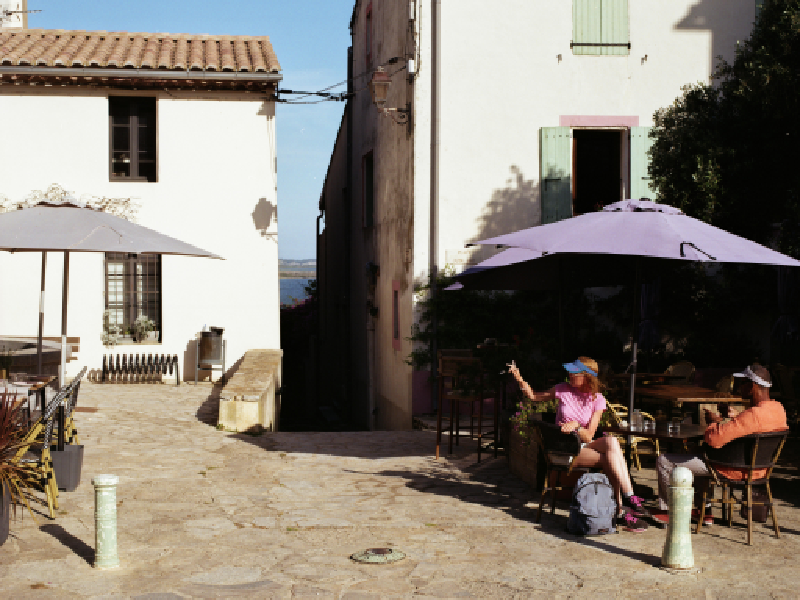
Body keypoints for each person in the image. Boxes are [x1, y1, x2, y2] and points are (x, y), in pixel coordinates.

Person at [509, 356, 650, 532]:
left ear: (586, 376)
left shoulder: (598, 399)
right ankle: (623, 507)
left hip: (582, 444)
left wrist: (576, 426)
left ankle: (626, 501)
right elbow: (534, 396)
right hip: (563, 449)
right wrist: (519, 377)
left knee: (612, 443)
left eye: (574, 372)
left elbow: (589, 436)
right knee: (610, 458)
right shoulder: (562, 389)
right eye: (570, 371)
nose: (569, 374)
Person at [652, 364, 788, 527]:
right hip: (760, 469)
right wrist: (736, 417)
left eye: (742, 383)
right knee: (696, 451)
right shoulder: (778, 409)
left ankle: (669, 512)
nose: (739, 387)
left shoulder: (752, 415)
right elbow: (755, 426)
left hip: (732, 469)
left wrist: (713, 423)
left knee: (664, 461)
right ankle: (705, 510)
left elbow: (714, 440)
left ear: (752, 386)